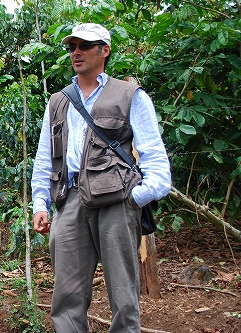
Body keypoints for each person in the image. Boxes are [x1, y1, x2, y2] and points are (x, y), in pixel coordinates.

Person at [31, 23, 171, 332]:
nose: (76, 52)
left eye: (85, 45)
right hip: (70, 203)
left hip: (116, 204)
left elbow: (157, 163)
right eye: (72, 47)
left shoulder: (129, 94)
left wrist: (135, 198)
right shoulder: (58, 101)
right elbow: (45, 158)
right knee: (66, 297)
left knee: (123, 296)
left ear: (104, 50)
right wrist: (40, 205)